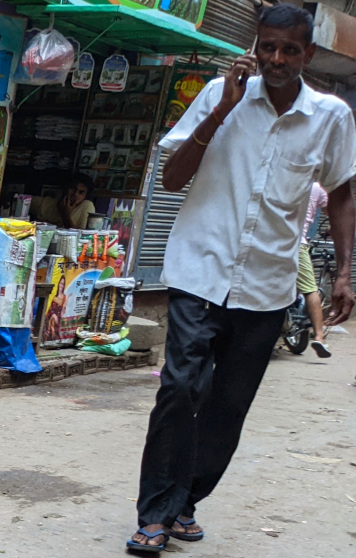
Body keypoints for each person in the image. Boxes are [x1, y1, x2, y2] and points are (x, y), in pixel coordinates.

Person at [126, 5, 356, 553]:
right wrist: (222, 111)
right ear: (255, 45)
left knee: (229, 405)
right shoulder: (219, 94)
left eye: (289, 50)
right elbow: (173, 177)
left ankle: (185, 501)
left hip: (268, 283)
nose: (276, 59)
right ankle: (155, 514)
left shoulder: (330, 116)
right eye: (267, 47)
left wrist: (346, 271)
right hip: (199, 270)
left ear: (307, 54)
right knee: (180, 387)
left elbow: (342, 193)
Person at [300, 185, 331, 358]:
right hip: (297, 244)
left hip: (269, 245)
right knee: (310, 289)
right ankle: (319, 336)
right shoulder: (317, 187)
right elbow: (331, 210)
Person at [30, 174, 97, 229]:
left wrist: (65, 215)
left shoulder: (86, 206)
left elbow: (80, 237)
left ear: (85, 197)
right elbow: (25, 200)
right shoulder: (46, 203)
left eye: (81, 192)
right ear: (65, 188)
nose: (75, 194)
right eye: (73, 188)